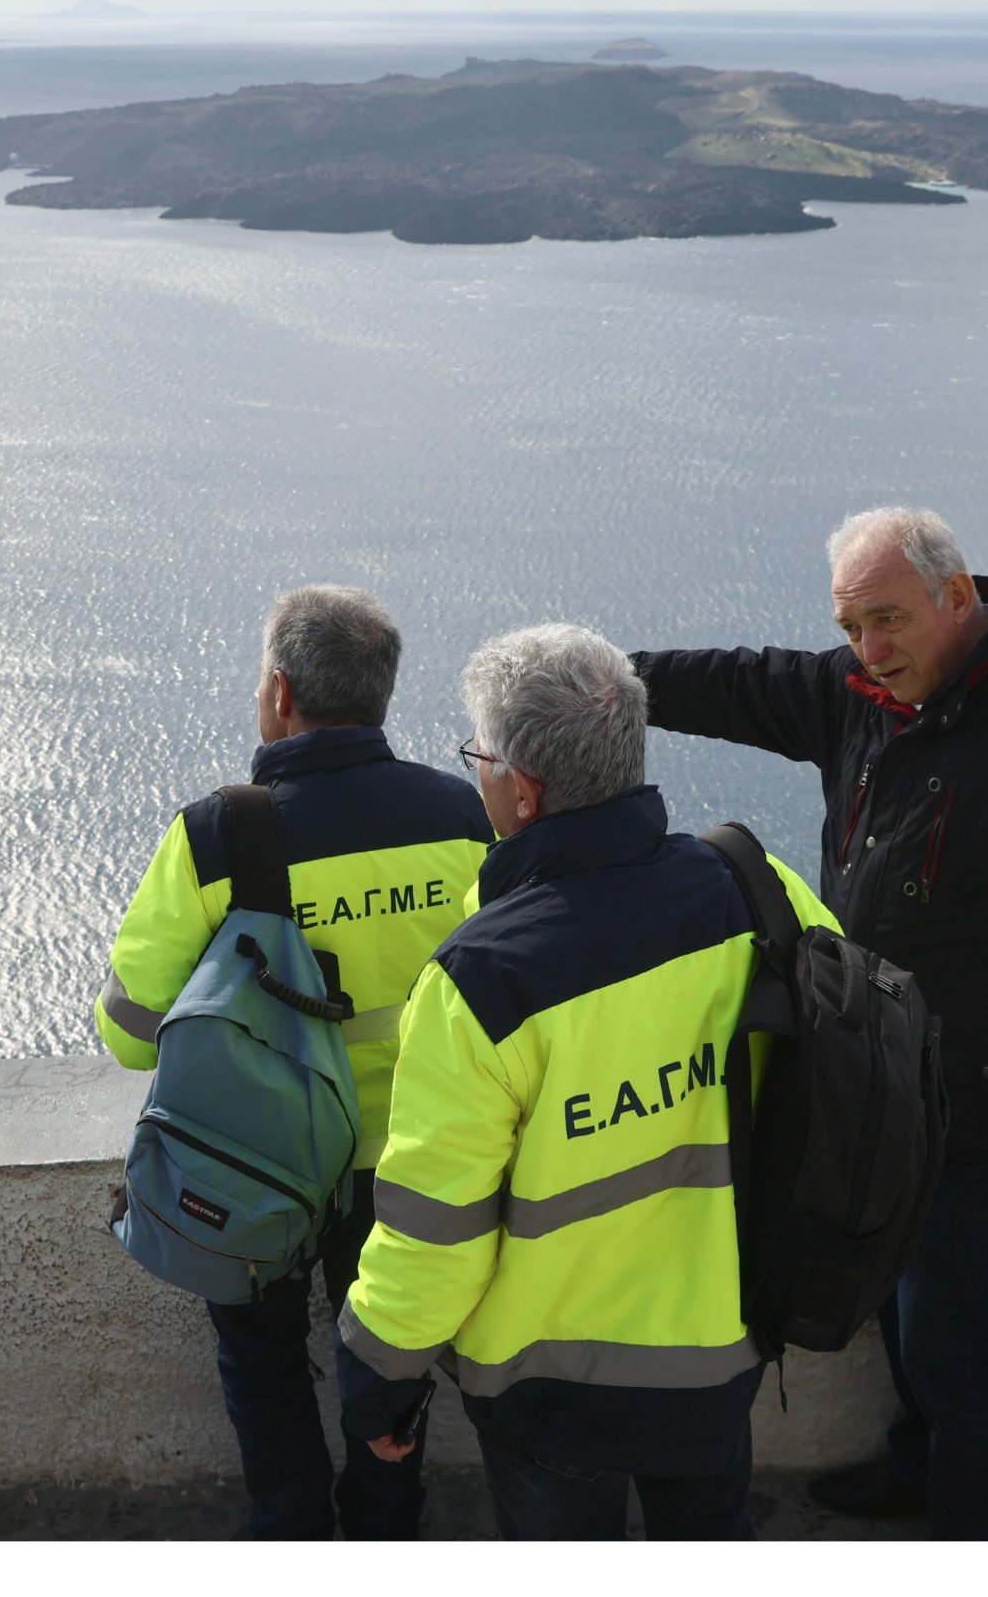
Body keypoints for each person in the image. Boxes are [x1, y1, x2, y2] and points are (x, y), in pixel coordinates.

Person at [627, 507, 988, 1539]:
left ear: (955, 595)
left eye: (886, 621)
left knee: (947, 1338)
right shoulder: (864, 692)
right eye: (850, 628)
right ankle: (915, 1468)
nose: (868, 650)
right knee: (892, 1300)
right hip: (879, 1088)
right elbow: (735, 679)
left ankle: (972, 1527)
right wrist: (601, 679)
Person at [334, 623, 839, 1540]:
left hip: (551, 1392)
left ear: (521, 794)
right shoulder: (757, 889)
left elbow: (433, 1233)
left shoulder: (480, 982)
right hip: (723, 1354)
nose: (476, 775)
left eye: (479, 759)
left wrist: (375, 1376)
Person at [96, 584, 491, 1540]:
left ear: (278, 692)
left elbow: (128, 1031)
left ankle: (292, 1529)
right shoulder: (467, 819)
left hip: (263, 1163)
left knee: (264, 1360)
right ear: (384, 695)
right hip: (414, 1164)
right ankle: (387, 1525)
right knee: (394, 1356)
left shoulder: (220, 834)